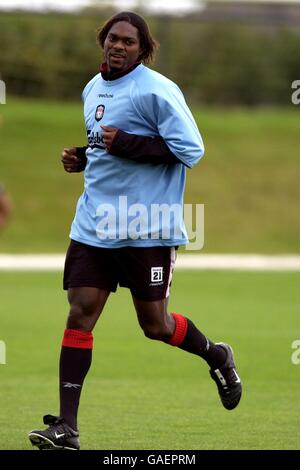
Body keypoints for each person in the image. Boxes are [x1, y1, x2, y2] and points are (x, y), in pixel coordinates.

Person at [28, 11, 242, 451]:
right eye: (112, 38)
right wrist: (85, 158)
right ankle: (67, 428)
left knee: (156, 325)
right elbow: (102, 144)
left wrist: (124, 142)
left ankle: (217, 355)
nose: (118, 46)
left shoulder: (158, 90)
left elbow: (190, 150)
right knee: (80, 311)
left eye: (128, 41)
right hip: (94, 224)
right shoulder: (92, 88)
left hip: (147, 228)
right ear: (102, 41)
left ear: (142, 50)